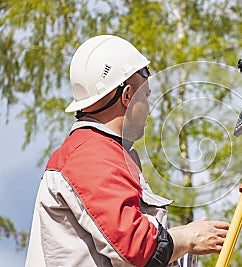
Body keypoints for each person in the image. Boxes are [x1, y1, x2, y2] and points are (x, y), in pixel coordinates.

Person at [25, 35, 229, 267]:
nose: (150, 109)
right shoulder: (90, 154)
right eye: (146, 95)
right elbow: (136, 247)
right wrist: (188, 237)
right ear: (127, 96)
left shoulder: (99, 152)